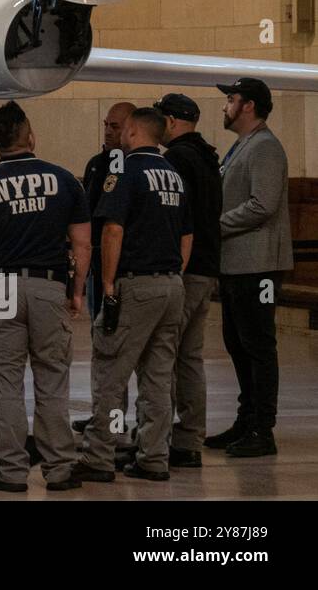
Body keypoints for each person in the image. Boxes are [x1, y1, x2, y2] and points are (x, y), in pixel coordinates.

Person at [0, 101, 91, 492]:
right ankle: (60, 469)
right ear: (30, 136)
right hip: (49, 287)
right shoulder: (65, 180)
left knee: (8, 383)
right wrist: (76, 290)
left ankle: (11, 472)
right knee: (51, 381)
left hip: (1, 289)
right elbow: (83, 244)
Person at [74, 107, 190, 482]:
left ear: (134, 131)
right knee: (158, 376)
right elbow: (188, 234)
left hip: (135, 284)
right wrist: (173, 274)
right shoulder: (172, 174)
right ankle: (154, 455)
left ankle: (100, 454)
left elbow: (112, 230)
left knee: (110, 373)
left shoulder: (124, 169)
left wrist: (107, 283)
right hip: (172, 284)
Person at [207, 77, 291, 458]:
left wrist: (213, 226)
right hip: (237, 263)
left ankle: (262, 427)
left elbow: (263, 204)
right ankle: (246, 419)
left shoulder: (266, 148)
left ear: (249, 106)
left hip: (258, 264)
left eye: (231, 99)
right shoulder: (243, 145)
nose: (225, 105)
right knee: (238, 344)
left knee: (258, 345)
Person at [155, 93, 222, 469]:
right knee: (190, 357)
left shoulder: (177, 159)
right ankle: (190, 439)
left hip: (184, 269)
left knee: (165, 355)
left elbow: (176, 217)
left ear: (171, 121)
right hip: (208, 269)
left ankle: (159, 439)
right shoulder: (208, 156)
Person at [74, 101, 135, 435]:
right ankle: (105, 413)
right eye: (106, 125)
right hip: (99, 265)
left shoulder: (133, 166)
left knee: (123, 348)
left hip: (126, 270)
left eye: (116, 126)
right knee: (101, 342)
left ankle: (116, 421)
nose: (109, 132)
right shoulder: (97, 164)